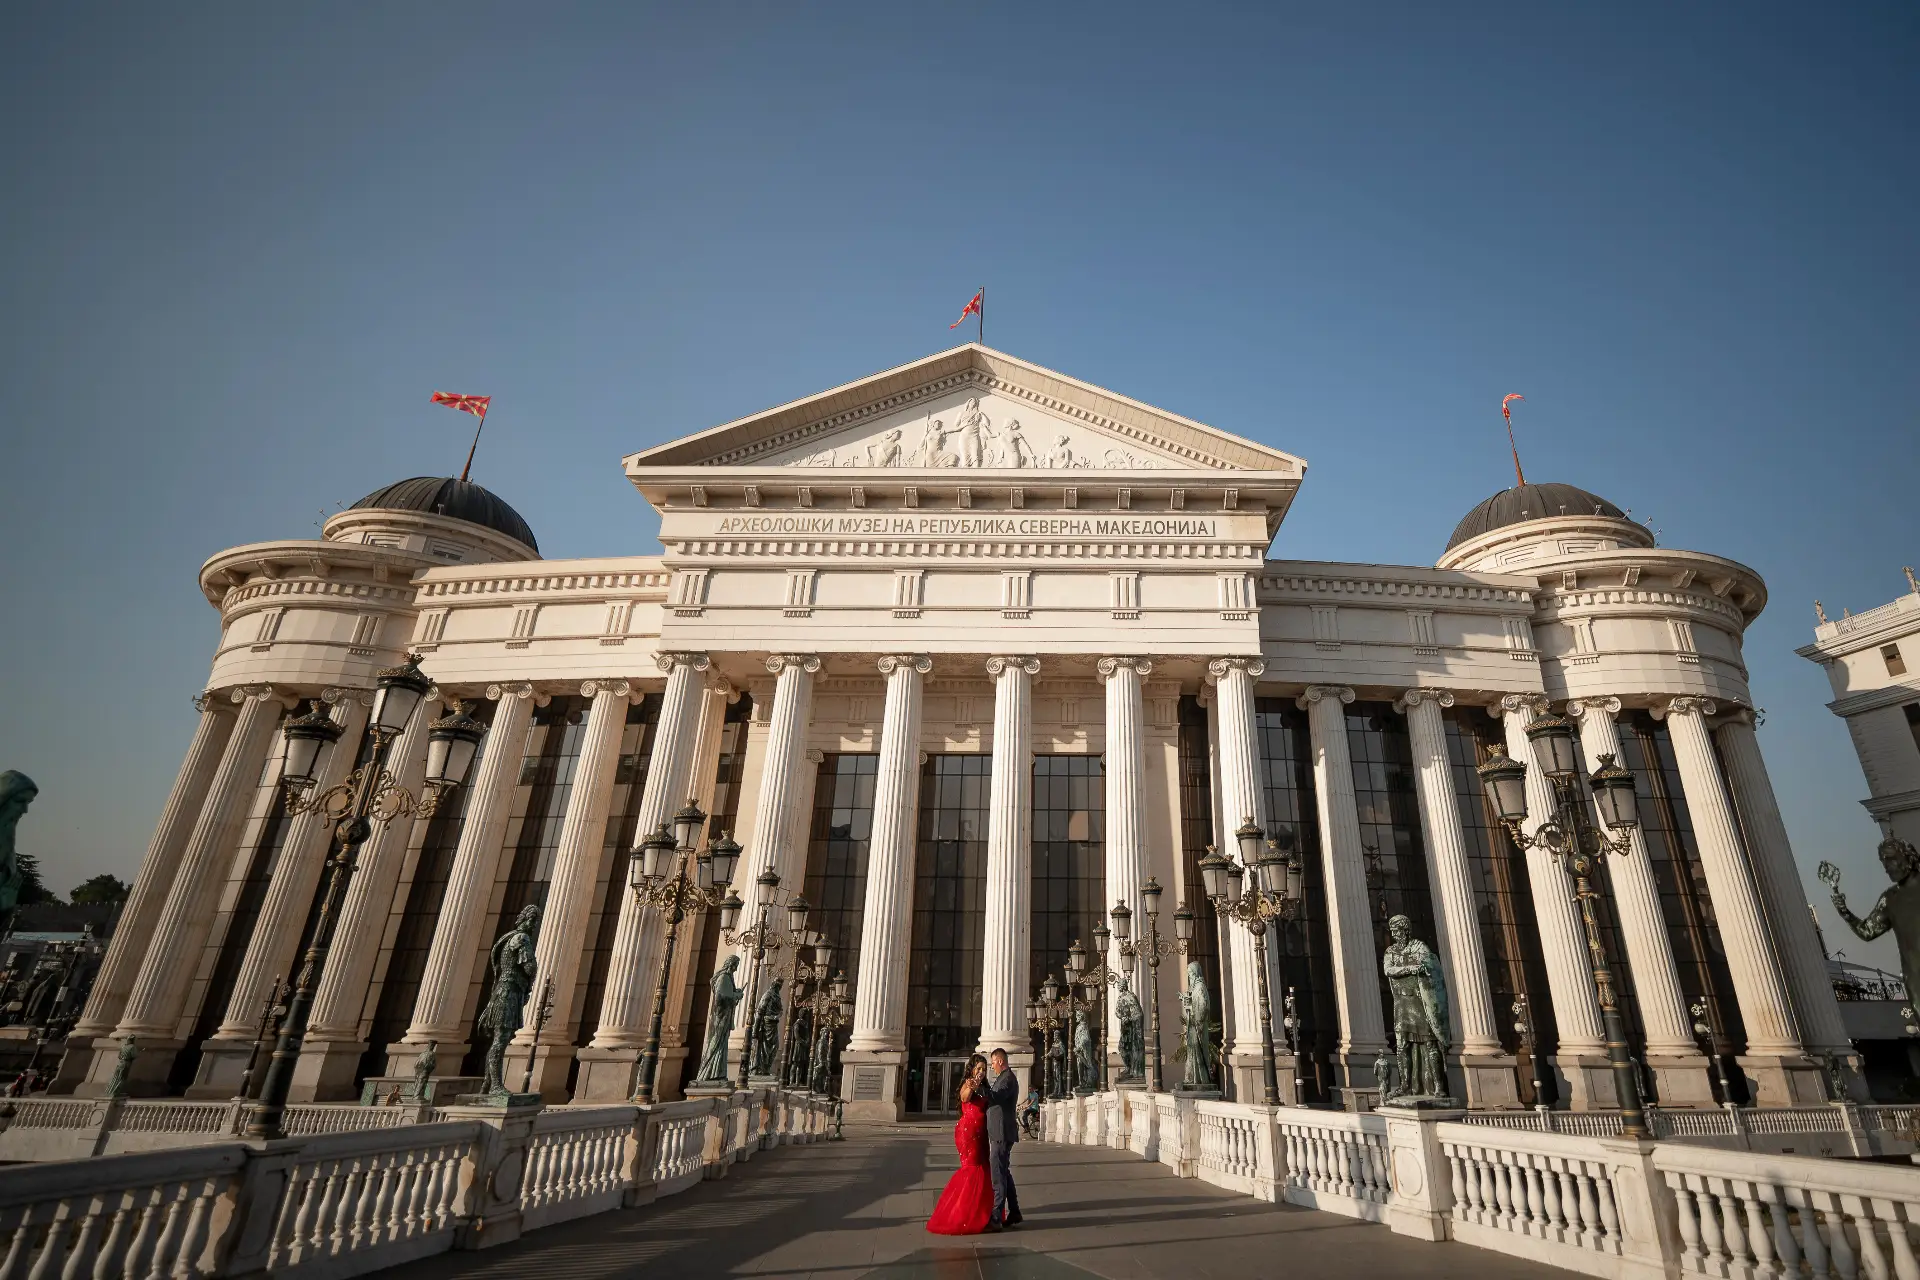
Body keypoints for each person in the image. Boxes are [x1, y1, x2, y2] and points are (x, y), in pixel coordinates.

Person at [926, 1054, 995, 1235]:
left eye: (984, 1069)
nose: (981, 1072)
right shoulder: (969, 1083)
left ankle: (981, 1213)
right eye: (978, 1068)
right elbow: (964, 1098)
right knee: (972, 1170)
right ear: (971, 1068)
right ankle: (962, 1215)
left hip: (982, 1134)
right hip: (969, 1134)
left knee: (983, 1170)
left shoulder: (984, 1087)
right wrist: (972, 1086)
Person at [982, 1046, 1023, 1228]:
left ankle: (997, 1216)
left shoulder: (1007, 1079)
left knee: (998, 1173)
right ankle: (1014, 1211)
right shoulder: (1003, 1078)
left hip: (1002, 1132)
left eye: (992, 1063)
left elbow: (996, 1097)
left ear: (1000, 1061)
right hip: (1000, 1131)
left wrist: (981, 1086)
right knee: (1004, 1171)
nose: (992, 1066)